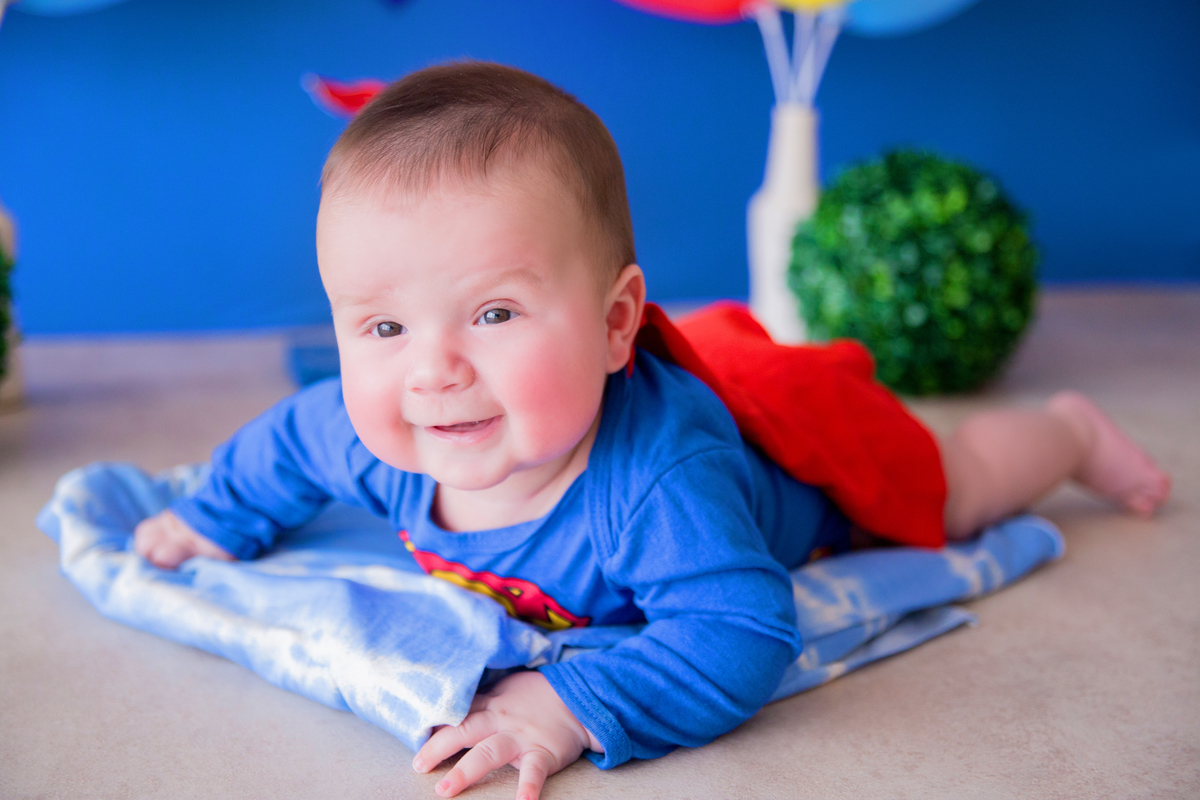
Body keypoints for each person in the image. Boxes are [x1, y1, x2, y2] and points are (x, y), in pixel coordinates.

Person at [133, 62, 1171, 800]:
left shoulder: (656, 483)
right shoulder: (373, 433)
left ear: (617, 321)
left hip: (786, 452)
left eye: (493, 313)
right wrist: (215, 517)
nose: (431, 369)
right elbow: (279, 447)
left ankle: (1068, 435)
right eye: (383, 325)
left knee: (951, 480)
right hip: (685, 382)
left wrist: (567, 703)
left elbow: (743, 632)